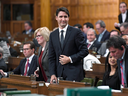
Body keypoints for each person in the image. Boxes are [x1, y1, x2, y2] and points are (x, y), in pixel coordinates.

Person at [49, 7, 89, 83]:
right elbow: (51, 57)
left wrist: (70, 59)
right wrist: (52, 74)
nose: (63, 19)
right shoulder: (52, 35)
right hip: (58, 74)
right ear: (56, 18)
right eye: (61, 17)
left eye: (65, 17)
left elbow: (84, 51)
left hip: (73, 73)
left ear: (68, 18)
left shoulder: (76, 32)